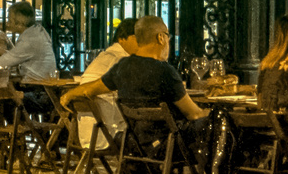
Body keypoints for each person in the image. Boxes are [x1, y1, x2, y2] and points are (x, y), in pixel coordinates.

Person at [61, 17, 207, 139]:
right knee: (218, 125)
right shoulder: (166, 71)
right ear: (161, 38)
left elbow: (91, 89)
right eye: (168, 36)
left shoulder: (123, 66)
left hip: (134, 144)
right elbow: (193, 113)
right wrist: (215, 115)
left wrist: (69, 94)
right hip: (165, 145)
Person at [0, 0, 59, 86]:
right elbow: (19, 57)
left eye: (10, 20)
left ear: (20, 23)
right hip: (38, 85)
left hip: (37, 89)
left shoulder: (30, 40)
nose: (8, 23)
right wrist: (3, 52)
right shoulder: (35, 32)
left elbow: (1, 63)